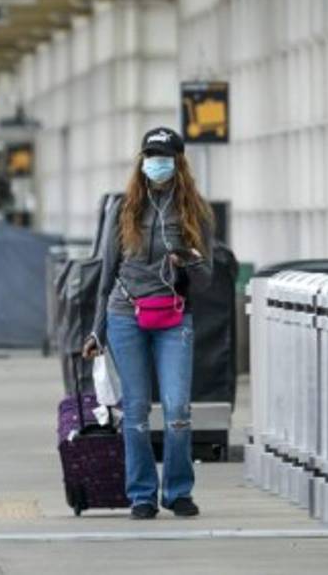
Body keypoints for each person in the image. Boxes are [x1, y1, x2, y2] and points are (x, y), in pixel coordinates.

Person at [82, 127, 214, 520]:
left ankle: (178, 491)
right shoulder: (123, 209)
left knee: (177, 410)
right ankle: (141, 494)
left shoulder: (195, 211)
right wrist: (96, 329)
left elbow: (206, 279)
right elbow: (106, 273)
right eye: (151, 156)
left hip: (174, 316)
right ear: (142, 161)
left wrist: (186, 262)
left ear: (178, 163)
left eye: (164, 156)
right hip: (126, 315)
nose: (157, 163)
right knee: (136, 411)